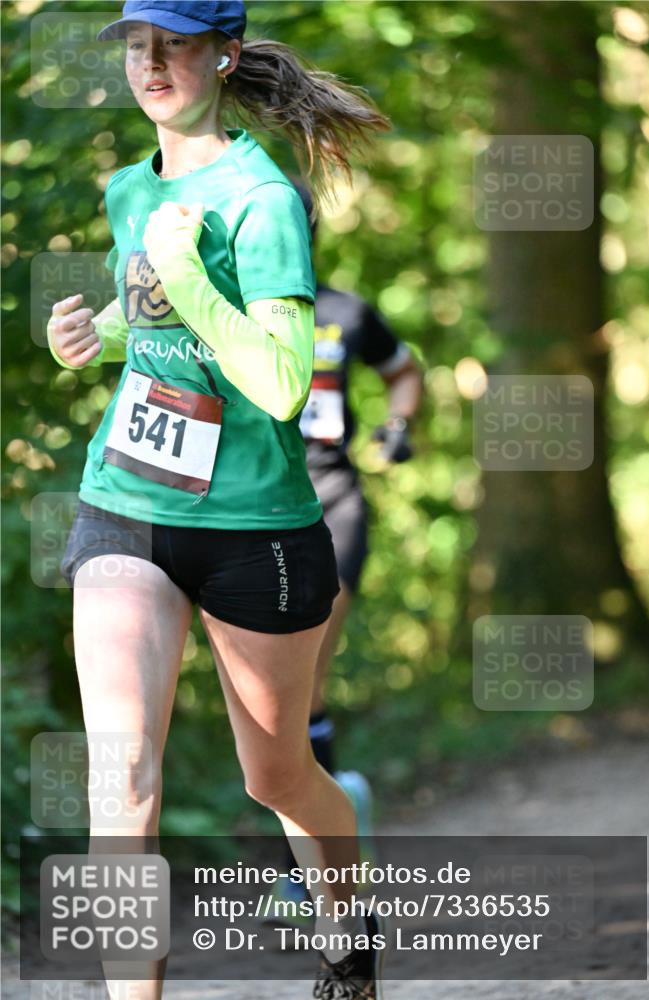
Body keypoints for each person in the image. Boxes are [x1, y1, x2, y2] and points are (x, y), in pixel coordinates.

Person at [45, 3, 391, 998]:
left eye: (176, 42)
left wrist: (191, 276)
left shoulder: (261, 198)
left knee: (277, 778)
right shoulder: (128, 189)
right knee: (122, 780)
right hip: (126, 502)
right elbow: (152, 317)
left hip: (254, 527)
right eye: (136, 44)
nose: (150, 62)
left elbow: (282, 381)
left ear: (224, 52)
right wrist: (98, 335)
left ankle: (346, 930)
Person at [274, 182, 423, 911]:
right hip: (253, 511)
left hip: (332, 504)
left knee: (303, 680)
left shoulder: (344, 311)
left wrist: (399, 427)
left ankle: (310, 869)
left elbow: (401, 369)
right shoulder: (225, 310)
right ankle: (338, 808)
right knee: (269, 694)